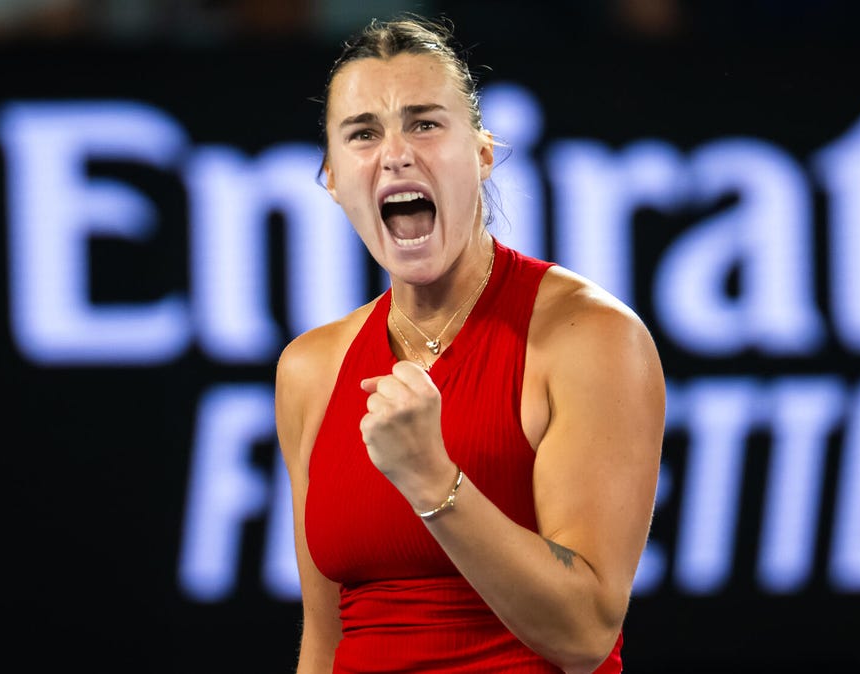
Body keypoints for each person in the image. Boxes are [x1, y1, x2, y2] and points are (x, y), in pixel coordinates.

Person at [274, 15, 665, 674]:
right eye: (363, 133)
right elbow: (324, 639)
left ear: (482, 154)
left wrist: (430, 477)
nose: (396, 152)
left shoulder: (589, 338)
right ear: (333, 179)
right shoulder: (311, 369)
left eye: (425, 123)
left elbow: (584, 631)